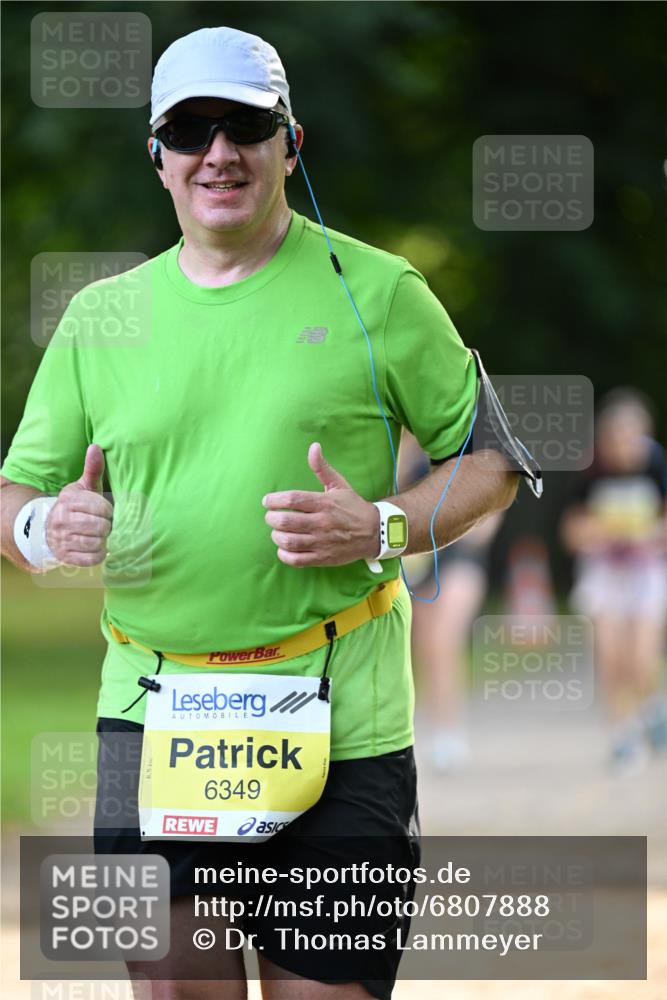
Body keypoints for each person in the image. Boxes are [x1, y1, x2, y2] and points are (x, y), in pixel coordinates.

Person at [1, 26, 519, 1000]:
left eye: (244, 125)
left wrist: (383, 526)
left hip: (343, 715)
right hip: (154, 715)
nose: (218, 152)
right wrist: (42, 530)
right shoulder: (101, 316)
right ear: (156, 154)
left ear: (292, 142)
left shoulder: (380, 292)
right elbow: (14, 490)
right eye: (190, 129)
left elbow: (491, 458)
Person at [561, 388, 667, 774]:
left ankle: (653, 706)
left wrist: (647, 534)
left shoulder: (657, 465)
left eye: (631, 437)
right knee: (609, 655)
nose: (623, 446)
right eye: (615, 438)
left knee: (640, 658)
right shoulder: (592, 470)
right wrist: (596, 533)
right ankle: (623, 738)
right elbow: (570, 531)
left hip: (645, 571)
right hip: (603, 572)